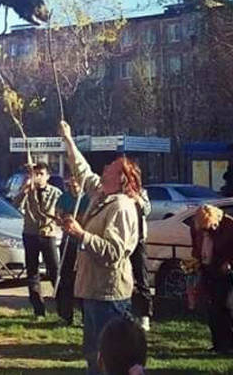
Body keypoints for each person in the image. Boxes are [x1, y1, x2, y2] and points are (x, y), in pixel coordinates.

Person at [58, 120, 140, 374]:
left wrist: (81, 235)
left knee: (109, 359)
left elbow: (115, 252)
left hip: (109, 295)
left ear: (122, 179)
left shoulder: (122, 207)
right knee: (93, 355)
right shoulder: (101, 196)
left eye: (111, 168)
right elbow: (83, 172)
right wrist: (68, 140)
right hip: (94, 291)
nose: (104, 169)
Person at [191, 204, 233, 355]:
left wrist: (231, 262)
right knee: (212, 308)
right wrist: (197, 259)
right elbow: (196, 245)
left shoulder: (231, 226)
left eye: (211, 226)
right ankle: (218, 343)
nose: (209, 230)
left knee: (228, 306)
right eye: (205, 228)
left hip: (226, 272)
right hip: (207, 268)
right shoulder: (198, 227)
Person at [13, 162, 62, 318]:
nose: (38, 177)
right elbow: (15, 204)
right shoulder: (28, 192)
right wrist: (24, 190)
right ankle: (38, 309)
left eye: (41, 174)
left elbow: (60, 213)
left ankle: (62, 308)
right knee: (32, 272)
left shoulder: (55, 193)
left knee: (54, 270)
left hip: (48, 234)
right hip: (30, 234)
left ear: (47, 176)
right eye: (36, 174)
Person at [55, 175, 90, 326]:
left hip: (82, 243)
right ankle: (66, 315)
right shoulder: (64, 197)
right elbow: (57, 215)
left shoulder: (87, 199)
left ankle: (85, 316)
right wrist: (62, 218)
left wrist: (76, 220)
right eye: (72, 184)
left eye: (77, 185)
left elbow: (87, 219)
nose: (74, 187)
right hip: (67, 242)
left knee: (83, 279)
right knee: (66, 279)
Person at [130, 184, 152, 331]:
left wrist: (137, 198)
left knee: (142, 279)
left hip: (138, 240)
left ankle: (145, 315)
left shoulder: (141, 192)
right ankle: (127, 313)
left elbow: (147, 210)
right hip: (123, 240)